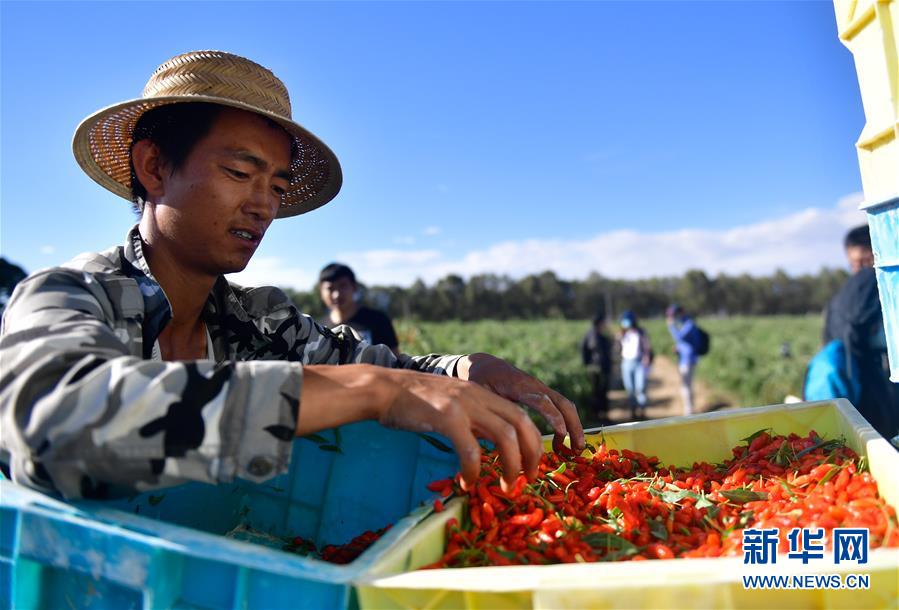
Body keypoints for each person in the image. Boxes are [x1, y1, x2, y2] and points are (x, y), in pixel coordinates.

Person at [0, 50, 584, 500]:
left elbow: (394, 372)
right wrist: (370, 393)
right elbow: (54, 420)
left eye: (277, 187)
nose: (263, 205)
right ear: (153, 167)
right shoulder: (68, 297)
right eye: (239, 171)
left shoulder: (260, 322)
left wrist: (469, 368)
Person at [807, 225, 898, 441]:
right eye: (856, 265)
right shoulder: (843, 300)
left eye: (867, 263)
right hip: (869, 397)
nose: (863, 272)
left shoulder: (846, 299)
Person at [318, 263, 400, 355]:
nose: (337, 294)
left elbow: (395, 361)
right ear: (321, 292)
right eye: (330, 288)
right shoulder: (319, 329)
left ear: (354, 287)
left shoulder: (378, 321)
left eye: (343, 286)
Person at [666, 304, 700, 416]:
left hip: (688, 360)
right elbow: (684, 342)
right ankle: (689, 409)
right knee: (686, 385)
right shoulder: (683, 324)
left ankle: (689, 411)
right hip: (683, 359)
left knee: (686, 385)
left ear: (681, 312)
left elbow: (679, 337)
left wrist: (671, 326)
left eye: (674, 315)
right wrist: (678, 348)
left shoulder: (689, 324)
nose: (673, 317)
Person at [617, 311, 651, 420]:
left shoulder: (641, 332)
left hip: (639, 363)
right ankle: (633, 411)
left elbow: (647, 347)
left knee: (640, 388)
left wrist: (647, 357)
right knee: (630, 389)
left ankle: (642, 411)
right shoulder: (622, 334)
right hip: (626, 363)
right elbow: (617, 349)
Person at [580, 312, 612, 422]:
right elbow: (585, 350)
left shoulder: (600, 334)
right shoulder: (592, 335)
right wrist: (588, 364)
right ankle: (597, 415)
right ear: (599, 323)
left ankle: (603, 414)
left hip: (603, 367)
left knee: (603, 391)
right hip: (596, 368)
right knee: (597, 391)